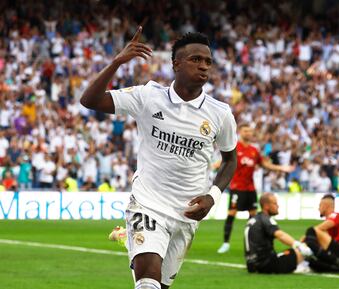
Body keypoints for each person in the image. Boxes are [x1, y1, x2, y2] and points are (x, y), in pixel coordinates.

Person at [80, 27, 237, 289]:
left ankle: (129, 238)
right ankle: (136, 235)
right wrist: (117, 62)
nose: (204, 66)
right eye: (196, 59)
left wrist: (213, 197)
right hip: (148, 204)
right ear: (176, 64)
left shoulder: (220, 113)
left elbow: (230, 160)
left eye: (208, 61)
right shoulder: (148, 96)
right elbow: (90, 100)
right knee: (147, 283)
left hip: (187, 213)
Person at [217, 124, 293, 253]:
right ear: (240, 132)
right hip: (237, 187)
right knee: (232, 214)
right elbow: (224, 162)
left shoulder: (254, 150)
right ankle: (225, 243)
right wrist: (213, 166)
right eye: (246, 131)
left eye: (250, 131)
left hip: (250, 189)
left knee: (253, 217)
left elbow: (264, 164)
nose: (248, 133)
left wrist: (281, 168)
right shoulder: (234, 148)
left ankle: (251, 243)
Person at [244, 193, 313, 274]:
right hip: (265, 265)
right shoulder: (266, 219)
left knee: (287, 253)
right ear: (266, 206)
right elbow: (280, 235)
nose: (278, 206)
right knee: (297, 251)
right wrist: (298, 245)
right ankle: (301, 266)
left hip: (251, 265)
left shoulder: (253, 219)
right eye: (275, 203)